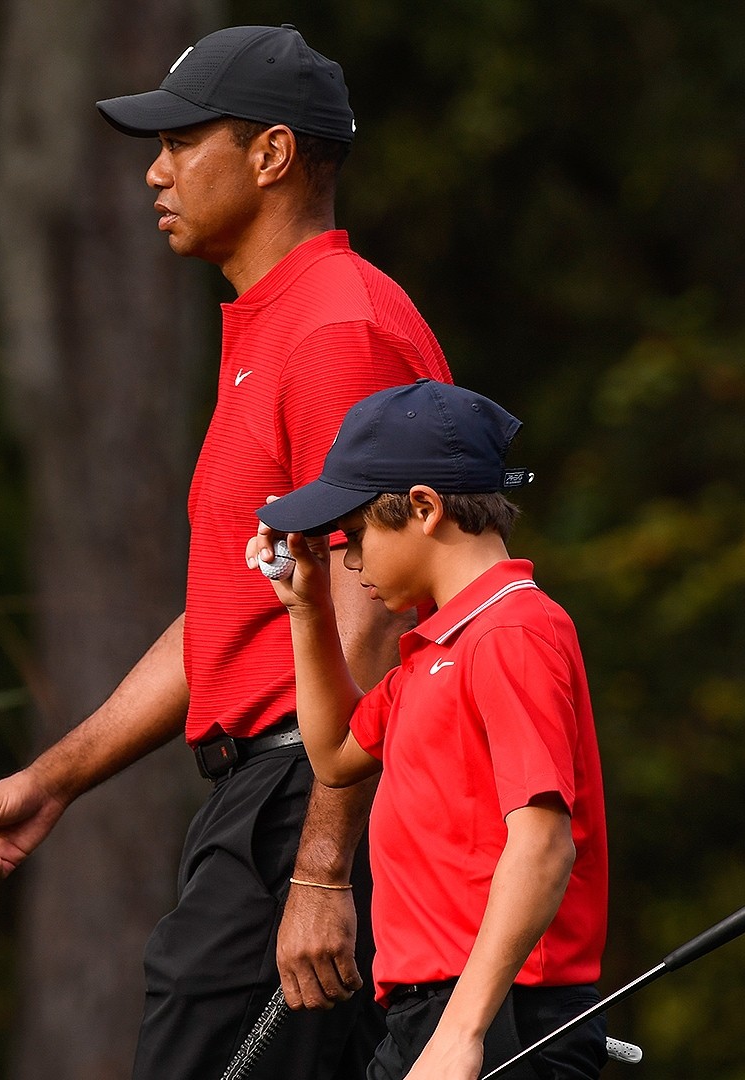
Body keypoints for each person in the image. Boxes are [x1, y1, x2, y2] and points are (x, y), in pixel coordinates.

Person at [0, 24, 453, 1080]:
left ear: (271, 156)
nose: (155, 170)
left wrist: (318, 875)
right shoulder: (275, 329)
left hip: (311, 799)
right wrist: (54, 779)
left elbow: (377, 617)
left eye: (181, 140)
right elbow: (238, 614)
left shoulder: (338, 332)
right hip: (270, 800)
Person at [252, 380, 609, 1080]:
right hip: (435, 1014)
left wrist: (463, 1031)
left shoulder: (512, 632)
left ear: (423, 507)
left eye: (355, 539)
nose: (350, 562)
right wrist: (308, 610)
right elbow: (333, 755)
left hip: (504, 1016)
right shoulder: (438, 647)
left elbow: (542, 845)